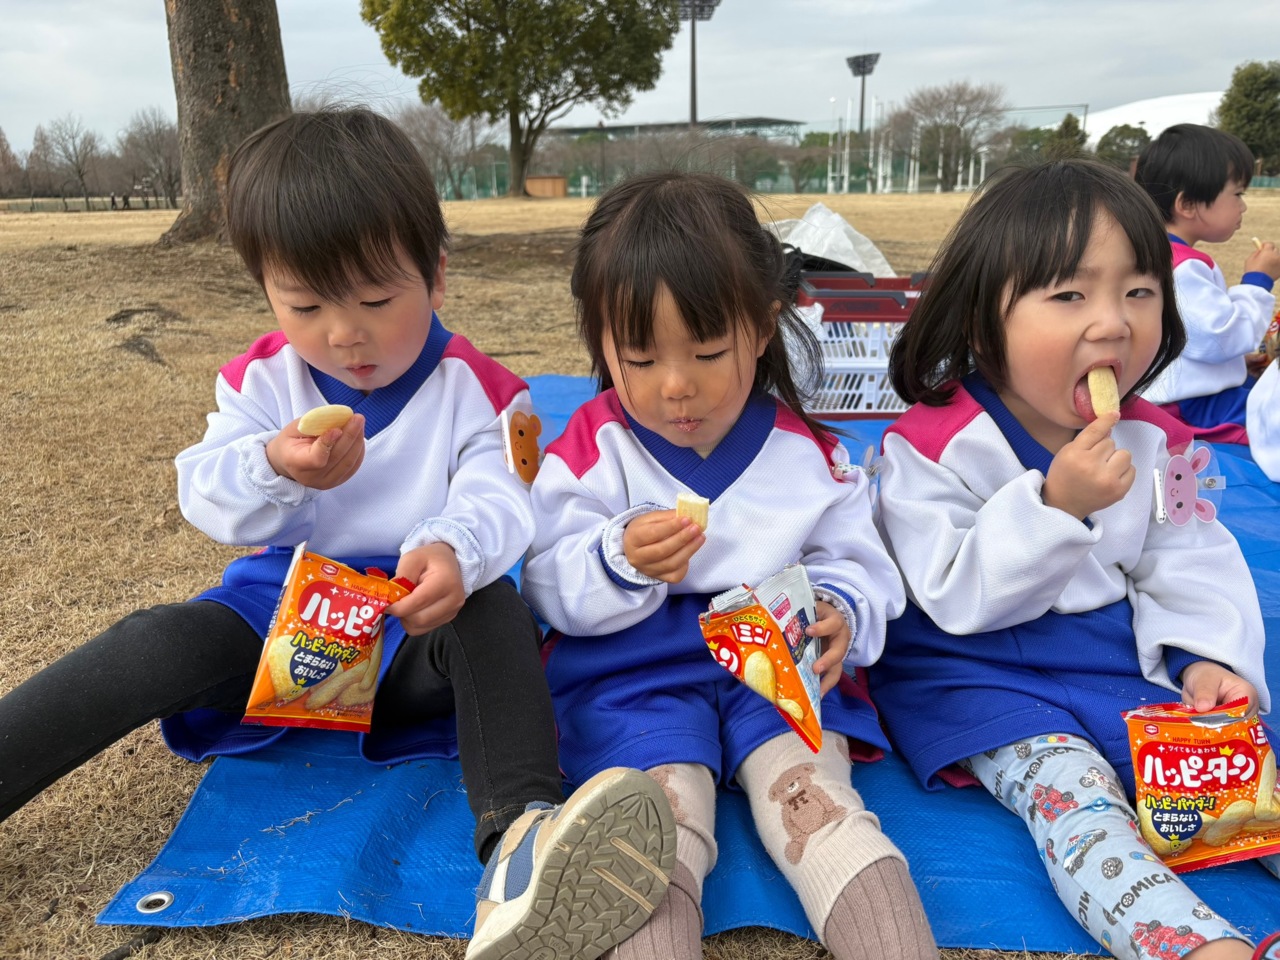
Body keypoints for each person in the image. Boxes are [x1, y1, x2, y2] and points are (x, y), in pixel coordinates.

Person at [0, 108, 675, 960]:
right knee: (159, 639)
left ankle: (523, 842)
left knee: (493, 611)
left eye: (376, 299)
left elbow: (504, 497)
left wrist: (452, 549)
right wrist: (273, 466)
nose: (344, 333)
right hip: (284, 627)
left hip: (415, 636)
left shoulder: (483, 392)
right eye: (307, 304)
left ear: (435, 275)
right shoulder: (262, 382)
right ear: (267, 291)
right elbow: (203, 491)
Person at [522, 171, 938, 960]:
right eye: (640, 358)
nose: (677, 387)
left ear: (762, 325)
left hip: (778, 671)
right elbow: (545, 580)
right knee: (655, 826)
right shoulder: (591, 449)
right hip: (633, 677)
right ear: (602, 342)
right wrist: (615, 559)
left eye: (708, 351)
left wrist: (841, 608)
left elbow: (859, 560)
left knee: (822, 813)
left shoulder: (809, 456)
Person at [873, 158, 1280, 960]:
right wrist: (1055, 508)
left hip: (1115, 661)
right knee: (1078, 802)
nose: (1114, 323)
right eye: (1069, 295)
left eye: (1140, 291)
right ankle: (1200, 948)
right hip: (978, 671)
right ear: (982, 318)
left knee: (1241, 782)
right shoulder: (931, 446)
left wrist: (1204, 656)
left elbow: (1187, 556)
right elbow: (954, 594)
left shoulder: (1157, 441)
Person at [1135, 124, 1280, 437]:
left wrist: (1236, 364)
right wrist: (1258, 280)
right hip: (1191, 407)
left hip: (1183, 398)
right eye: (1237, 194)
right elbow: (1221, 336)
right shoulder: (1181, 267)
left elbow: (1191, 339)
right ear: (1187, 204)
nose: (1243, 206)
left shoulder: (1152, 253)